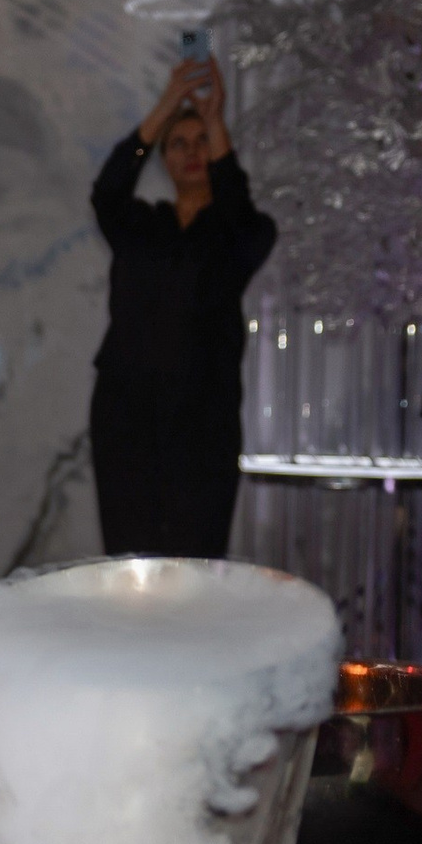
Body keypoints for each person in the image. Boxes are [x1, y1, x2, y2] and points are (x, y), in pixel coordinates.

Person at [89, 55, 275, 559]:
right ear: (163, 159)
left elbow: (236, 211)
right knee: (131, 558)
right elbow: (107, 191)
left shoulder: (245, 231)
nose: (192, 153)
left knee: (196, 558)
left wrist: (214, 118)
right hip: (126, 412)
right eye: (179, 143)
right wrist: (169, 101)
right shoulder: (141, 226)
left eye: (202, 143)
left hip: (203, 415)